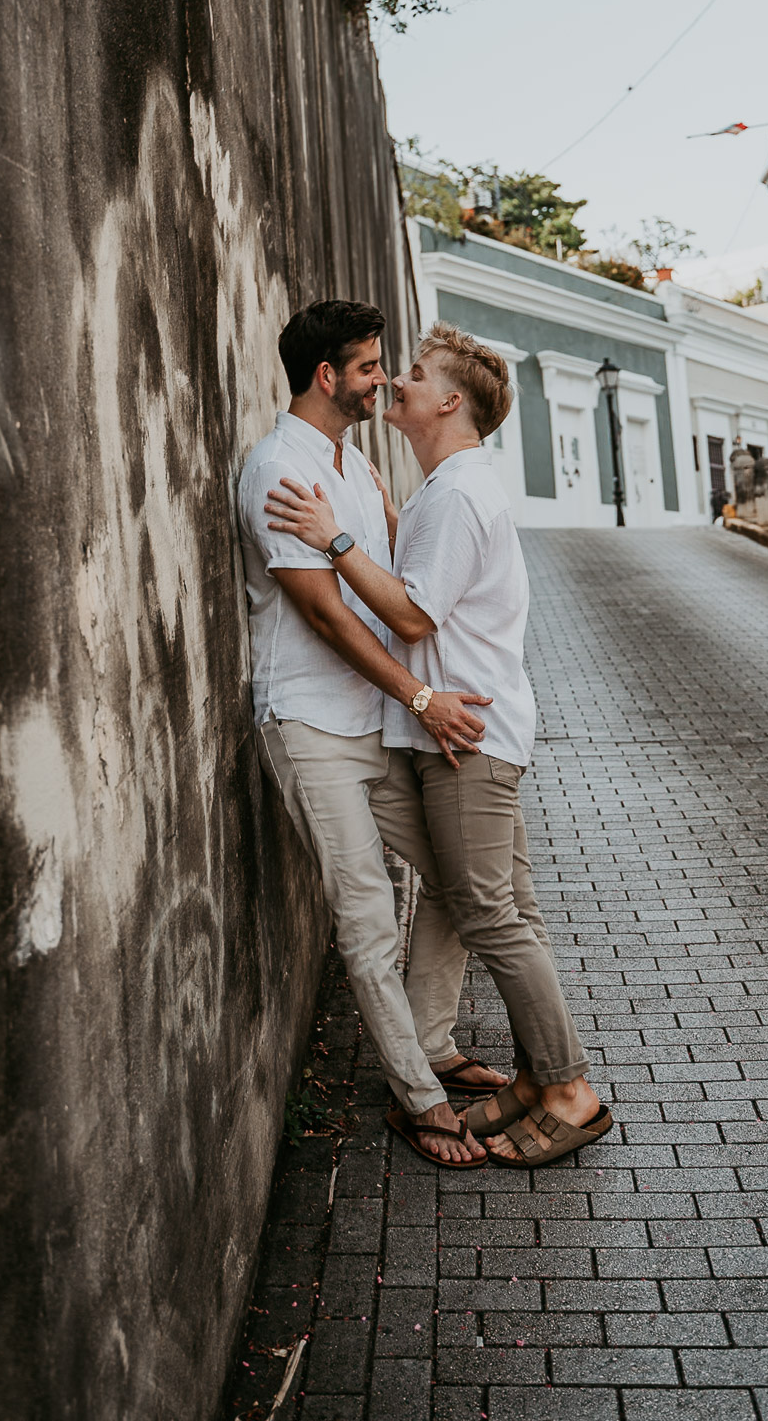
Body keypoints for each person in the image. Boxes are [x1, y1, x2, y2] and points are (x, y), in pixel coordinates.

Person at [265, 321, 613, 1168]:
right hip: (462, 732)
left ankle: (568, 1089)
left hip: (465, 735)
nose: (395, 385)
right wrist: (381, 522)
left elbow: (414, 613)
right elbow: (419, 580)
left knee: (495, 916)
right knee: (506, 908)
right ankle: (536, 1082)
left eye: (411, 375)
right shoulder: (440, 489)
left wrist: (336, 540)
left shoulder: (456, 493)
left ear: (450, 401)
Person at [238, 299, 506, 1166]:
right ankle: (419, 1099)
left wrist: (385, 528)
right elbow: (322, 613)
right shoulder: (281, 468)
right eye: (369, 366)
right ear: (329, 377)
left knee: (455, 884)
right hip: (311, 720)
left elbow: (383, 591)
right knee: (366, 920)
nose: (385, 377)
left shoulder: (351, 468)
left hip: (372, 721)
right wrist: (422, 700)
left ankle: (431, 1041)